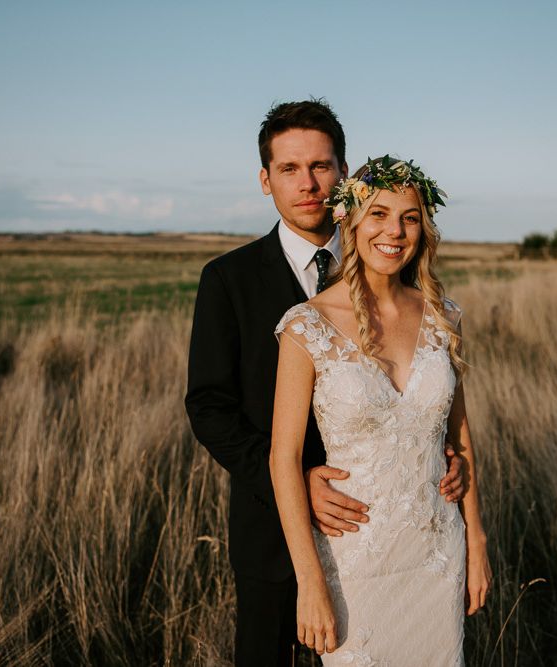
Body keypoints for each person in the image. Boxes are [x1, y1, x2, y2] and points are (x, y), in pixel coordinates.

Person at [185, 101, 465, 666]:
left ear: (344, 175)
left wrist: (442, 452)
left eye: (321, 166)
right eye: (289, 169)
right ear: (266, 180)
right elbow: (209, 406)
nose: (307, 183)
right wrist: (294, 477)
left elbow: (427, 388)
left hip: (400, 542)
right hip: (273, 536)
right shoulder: (228, 279)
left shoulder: (390, 264)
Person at [270, 156, 493, 665]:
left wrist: (476, 542)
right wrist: (310, 582)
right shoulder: (306, 327)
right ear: (349, 219)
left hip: (437, 554)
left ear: (424, 227)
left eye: (410, 216)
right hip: (355, 563)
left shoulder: (444, 317)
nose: (394, 230)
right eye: (379, 213)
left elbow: (461, 440)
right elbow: (283, 460)